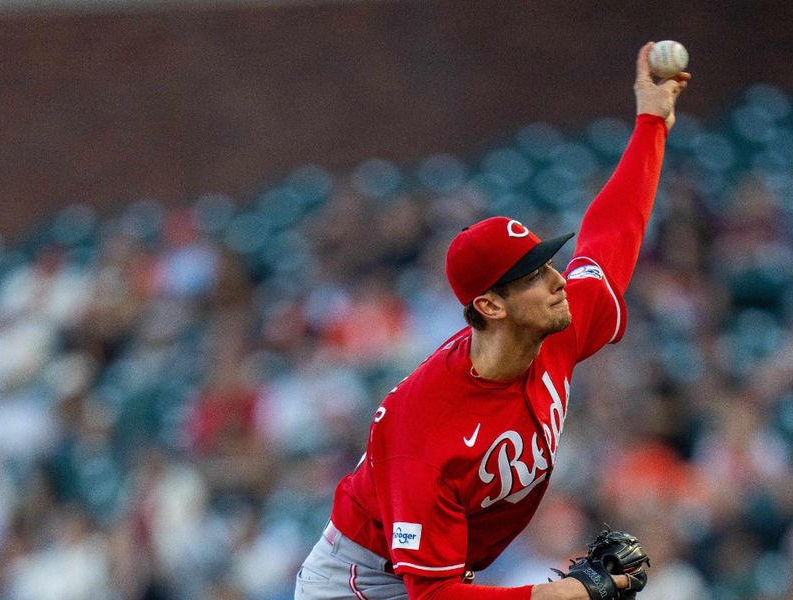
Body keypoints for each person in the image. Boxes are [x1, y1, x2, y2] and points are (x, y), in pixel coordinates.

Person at [295, 42, 690, 600]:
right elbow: (433, 596)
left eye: (548, 264)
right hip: (362, 580)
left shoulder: (554, 327)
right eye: (533, 276)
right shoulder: (422, 425)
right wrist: (575, 593)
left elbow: (610, 238)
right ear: (490, 305)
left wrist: (651, 121)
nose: (557, 280)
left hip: (451, 572)